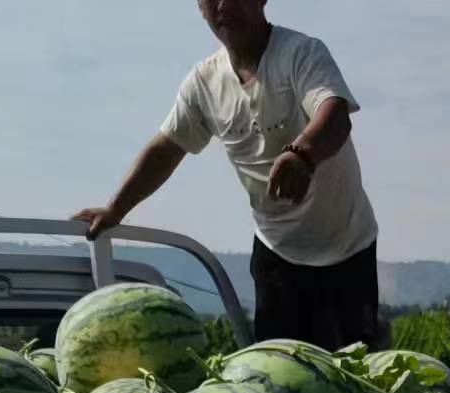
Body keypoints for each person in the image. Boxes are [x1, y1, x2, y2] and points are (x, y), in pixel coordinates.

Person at [74, 0, 379, 351]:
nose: (223, 6)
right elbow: (168, 148)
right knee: (280, 375)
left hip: (347, 248)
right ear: (200, 7)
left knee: (355, 378)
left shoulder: (300, 53)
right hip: (277, 254)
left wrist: (302, 155)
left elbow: (335, 115)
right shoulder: (204, 82)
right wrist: (116, 210)